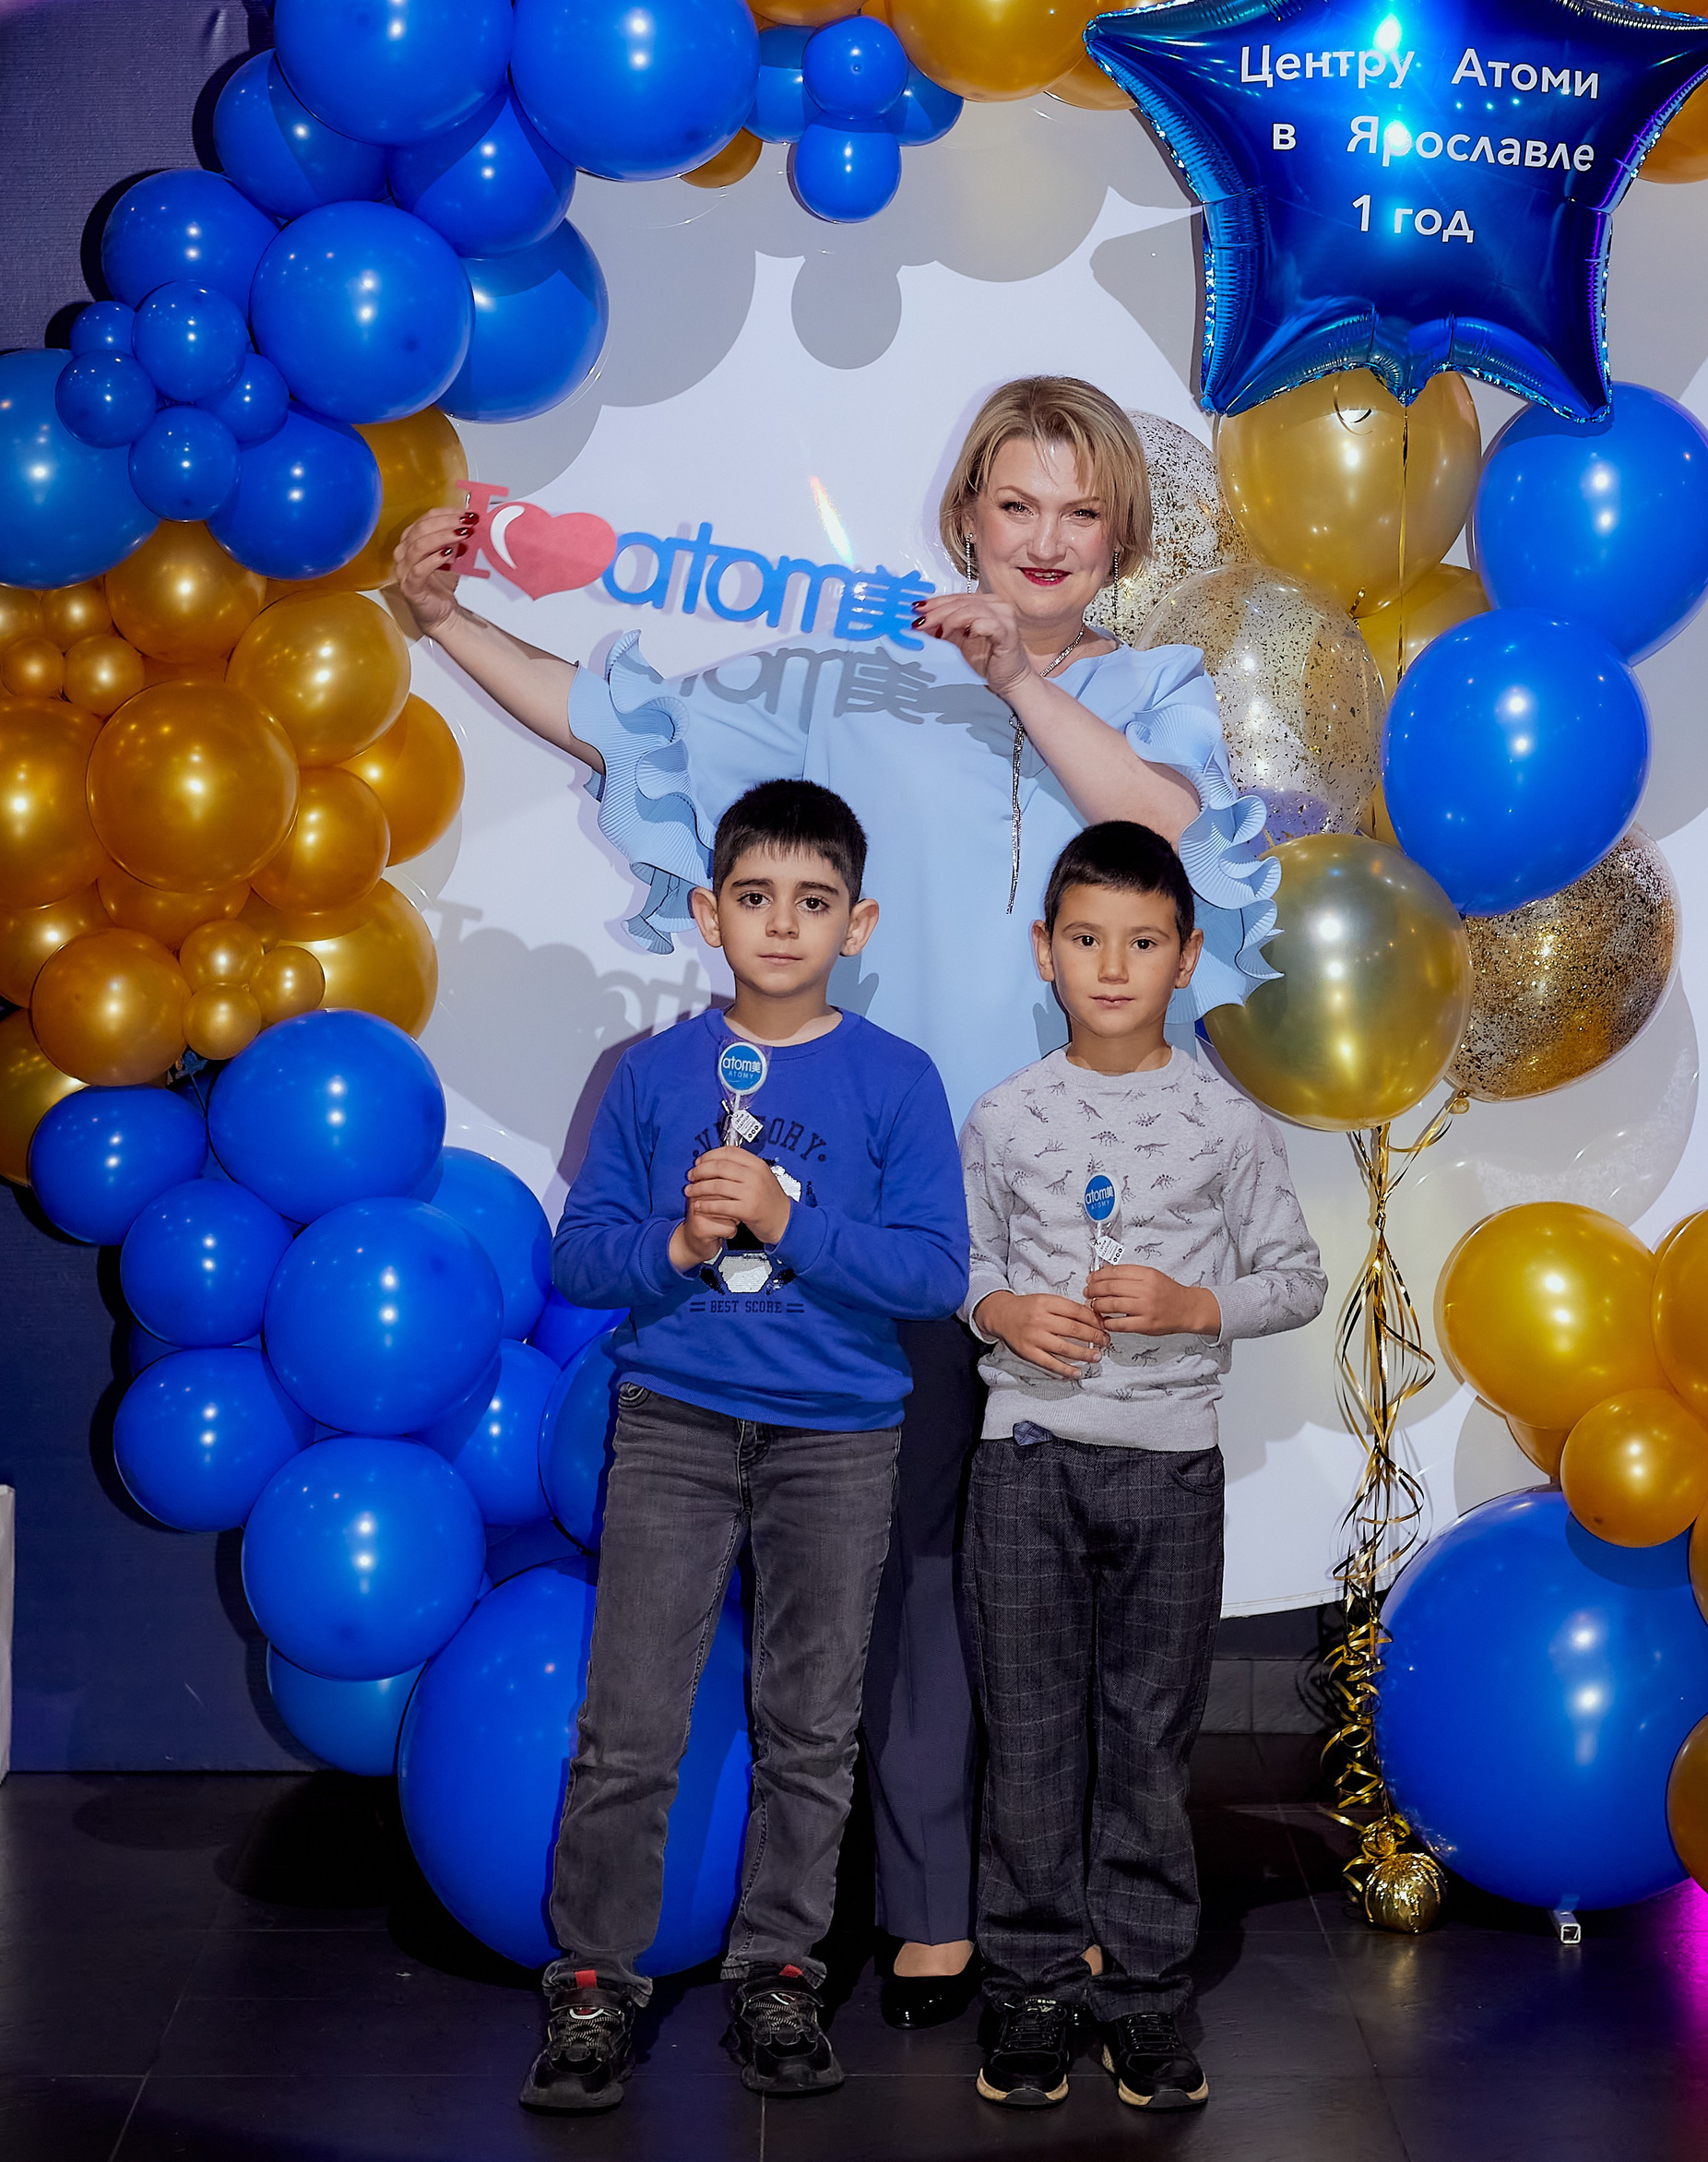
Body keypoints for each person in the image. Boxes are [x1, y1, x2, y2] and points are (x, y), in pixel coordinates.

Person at [390, 379, 1276, 2028]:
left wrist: (1021, 682)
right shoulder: (852, 683)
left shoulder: (1158, 691)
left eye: (1080, 514)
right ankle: (931, 1907)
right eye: (1016, 506)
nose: (1044, 542)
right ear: (965, 518)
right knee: (922, 1566)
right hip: (905, 1210)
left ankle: (1067, 1905)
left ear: (1121, 542)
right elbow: (621, 720)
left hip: (1094, 1203)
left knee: (1083, 1580)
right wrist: (446, 622)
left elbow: (1164, 837)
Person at [526, 778, 969, 2111]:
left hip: (839, 1439)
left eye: (815, 902)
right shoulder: (654, 1074)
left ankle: (780, 1977)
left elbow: (935, 1274)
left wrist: (788, 1217)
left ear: (860, 921)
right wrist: (674, 1246)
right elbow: (584, 1256)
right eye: (757, 899)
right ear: (711, 913)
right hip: (671, 1426)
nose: (784, 926)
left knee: (811, 1726)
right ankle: (594, 1986)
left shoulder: (898, 1079)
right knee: (629, 1722)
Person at [958, 821, 1326, 2113]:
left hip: (1171, 1473)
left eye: (1144, 941)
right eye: (1085, 938)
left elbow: (1296, 1280)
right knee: (1033, 1743)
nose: (1112, 964)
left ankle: (1149, 2002)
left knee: (1150, 1742)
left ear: (1184, 960)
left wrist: (1189, 1305)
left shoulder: (1228, 1127)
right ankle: (1031, 1993)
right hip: (1026, 1463)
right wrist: (1001, 1314)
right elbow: (967, 1265)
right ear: (1046, 954)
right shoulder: (1001, 1116)